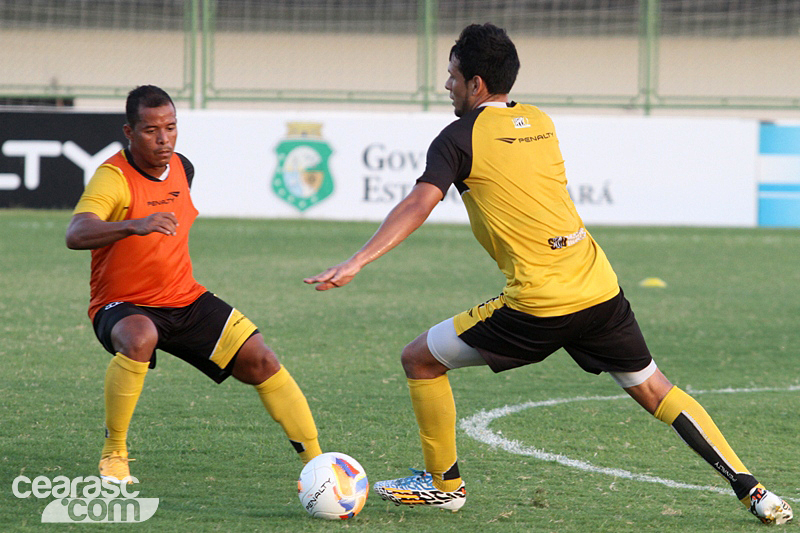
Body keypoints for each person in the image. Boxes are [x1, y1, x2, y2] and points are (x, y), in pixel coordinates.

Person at [304, 24, 792, 524]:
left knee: (420, 360)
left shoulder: (456, 137)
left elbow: (419, 202)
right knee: (655, 388)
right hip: (598, 288)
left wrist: (357, 260)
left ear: (475, 84)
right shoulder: (540, 120)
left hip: (537, 305)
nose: (445, 85)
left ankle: (443, 486)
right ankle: (752, 488)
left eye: (451, 76)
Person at [66, 85, 322, 485]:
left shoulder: (183, 168)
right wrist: (135, 224)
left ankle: (319, 464)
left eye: (170, 127)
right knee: (138, 337)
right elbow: (77, 232)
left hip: (184, 299)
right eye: (151, 130)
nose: (163, 139)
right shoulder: (112, 178)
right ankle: (114, 454)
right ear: (129, 132)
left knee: (261, 359)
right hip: (122, 305)